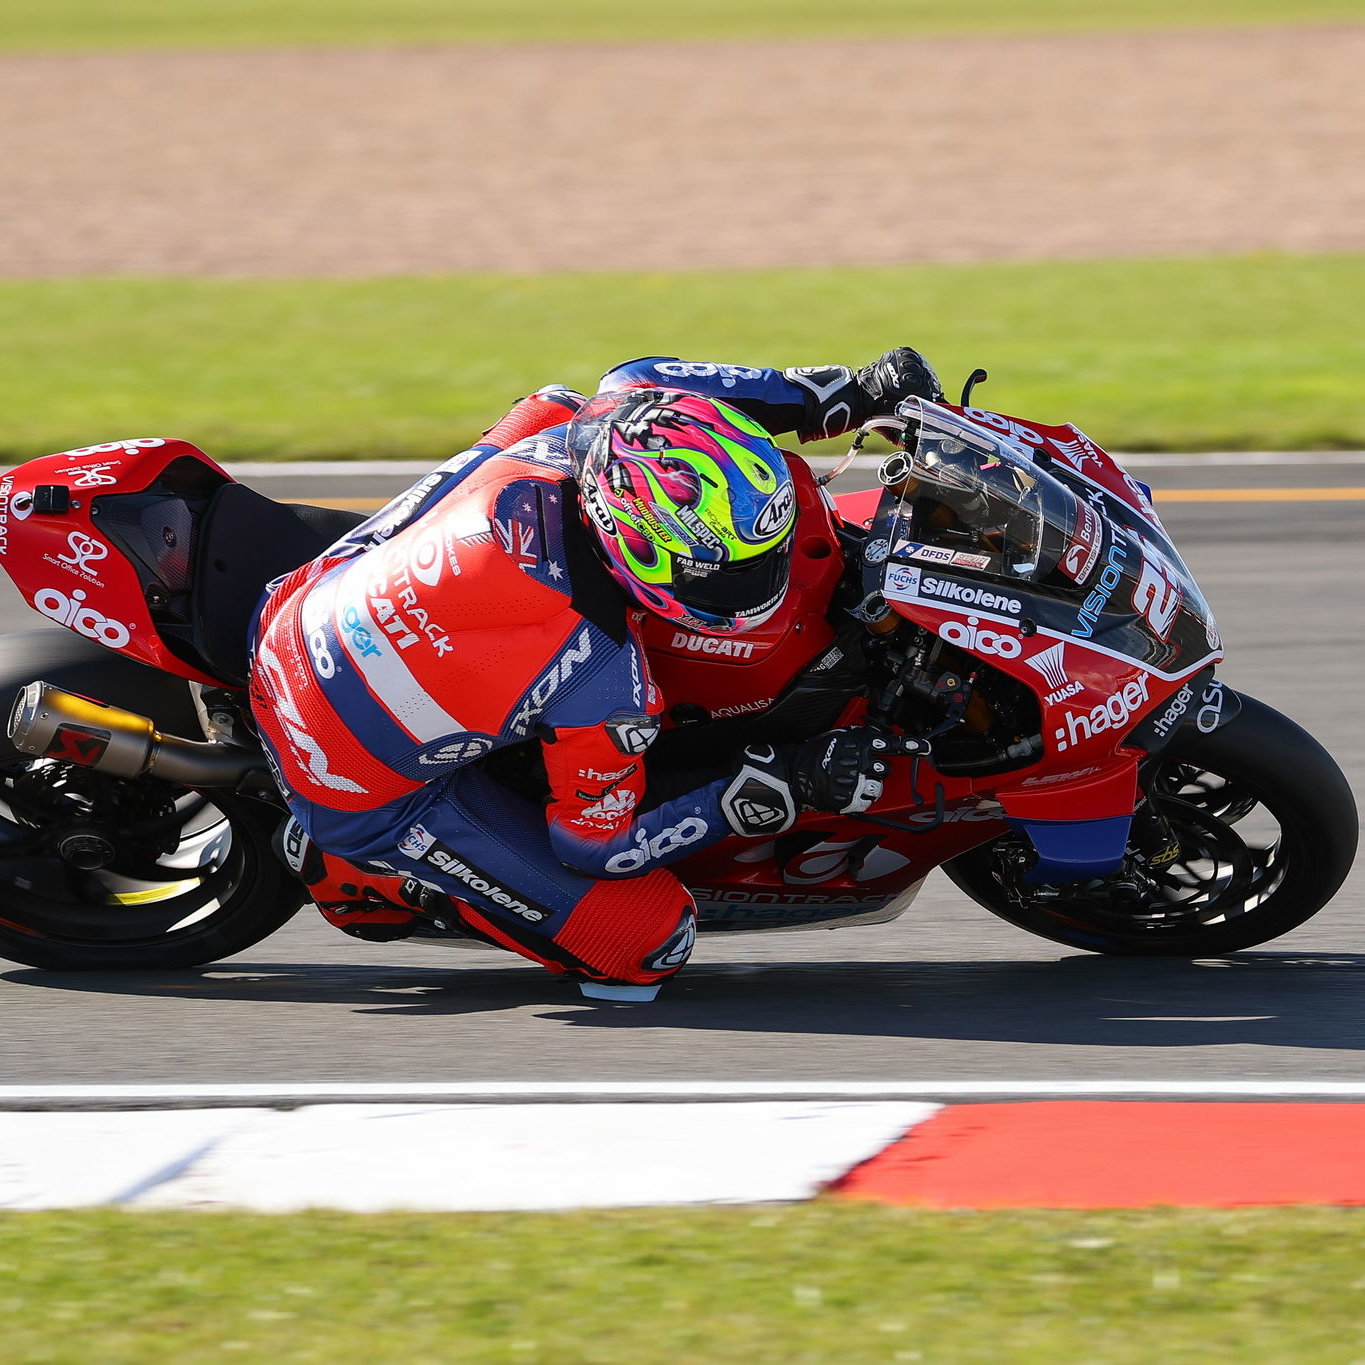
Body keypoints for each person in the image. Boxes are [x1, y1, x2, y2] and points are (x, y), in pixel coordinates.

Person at [248, 347, 943, 1000]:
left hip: (299, 598)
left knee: (550, 404)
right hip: (345, 771)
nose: (761, 581)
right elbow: (598, 844)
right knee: (646, 943)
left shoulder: (627, 408)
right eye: (728, 574)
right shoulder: (600, 672)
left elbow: (662, 378)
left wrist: (855, 392)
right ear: (633, 545)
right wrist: (782, 779)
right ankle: (376, 872)